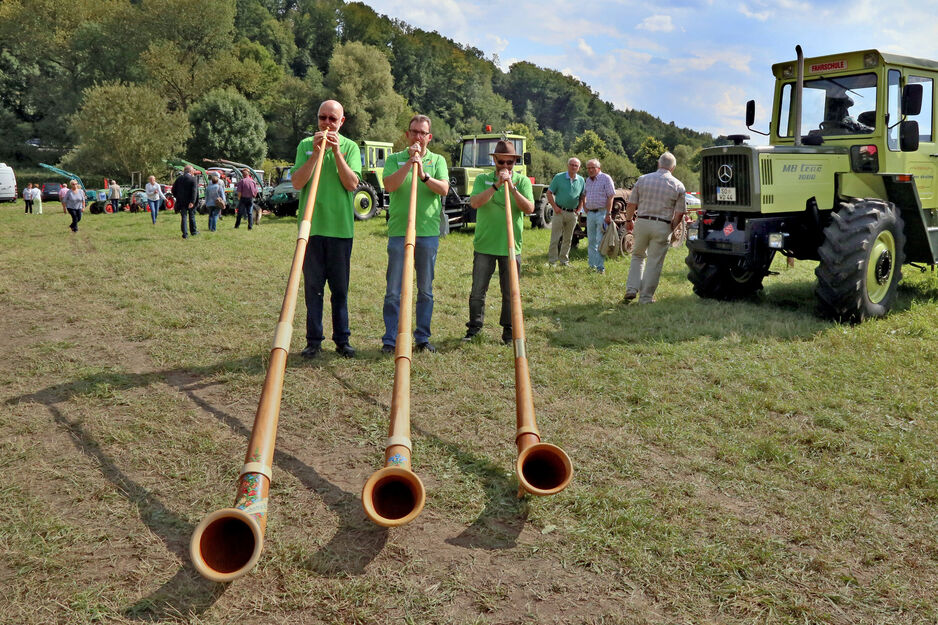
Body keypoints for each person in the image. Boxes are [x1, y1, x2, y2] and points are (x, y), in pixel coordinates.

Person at [291, 99, 362, 359]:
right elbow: (297, 182)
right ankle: (314, 341)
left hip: (340, 230)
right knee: (313, 289)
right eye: (323, 118)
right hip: (311, 230)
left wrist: (336, 152)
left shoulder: (350, 147)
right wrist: (315, 153)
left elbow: (352, 184)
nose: (327, 124)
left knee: (340, 290)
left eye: (333, 119)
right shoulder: (304, 145)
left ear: (341, 122)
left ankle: (342, 340)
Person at [380, 114, 449, 355]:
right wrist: (410, 163)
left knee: (425, 290)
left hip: (427, 233)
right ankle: (391, 340)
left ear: (429, 137)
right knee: (393, 291)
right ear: (407, 134)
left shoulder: (438, 160)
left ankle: (422, 338)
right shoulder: (395, 159)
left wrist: (424, 175)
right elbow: (389, 186)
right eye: (414, 132)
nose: (418, 137)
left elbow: (444, 189)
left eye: (423, 133)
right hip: (399, 232)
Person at [463, 140, 535, 344]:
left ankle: (509, 332)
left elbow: (529, 208)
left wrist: (512, 188)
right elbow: (474, 203)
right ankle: (474, 329)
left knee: (510, 293)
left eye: (509, 162)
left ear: (514, 162)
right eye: (501, 162)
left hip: (511, 247)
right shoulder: (483, 179)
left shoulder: (522, 182)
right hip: (485, 245)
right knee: (478, 290)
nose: (505, 166)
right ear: (494, 160)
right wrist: (496, 186)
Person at [623, 151, 686, 304]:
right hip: (662, 224)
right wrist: (672, 227)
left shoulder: (642, 179)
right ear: (673, 167)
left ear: (658, 164)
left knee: (637, 256)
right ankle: (645, 297)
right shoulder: (678, 185)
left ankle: (631, 288)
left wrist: (629, 220)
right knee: (654, 262)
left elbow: (631, 204)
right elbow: (680, 213)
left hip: (642, 222)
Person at [546, 158, 585, 266]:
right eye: (571, 165)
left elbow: (582, 196)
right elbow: (549, 193)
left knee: (568, 239)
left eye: (576, 165)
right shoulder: (559, 177)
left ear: (579, 168)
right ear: (568, 165)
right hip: (559, 211)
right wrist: (554, 207)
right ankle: (552, 261)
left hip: (572, 213)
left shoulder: (581, 180)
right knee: (555, 238)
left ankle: (564, 261)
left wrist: (579, 209)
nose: (573, 167)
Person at [171, 165, 198, 239]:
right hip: (190, 201)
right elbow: (194, 192)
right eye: (193, 170)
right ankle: (193, 231)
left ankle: (185, 234)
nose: (194, 171)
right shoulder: (193, 179)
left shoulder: (179, 178)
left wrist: (178, 197)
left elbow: (173, 190)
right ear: (190, 171)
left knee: (184, 217)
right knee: (191, 216)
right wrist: (192, 202)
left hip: (181, 201)